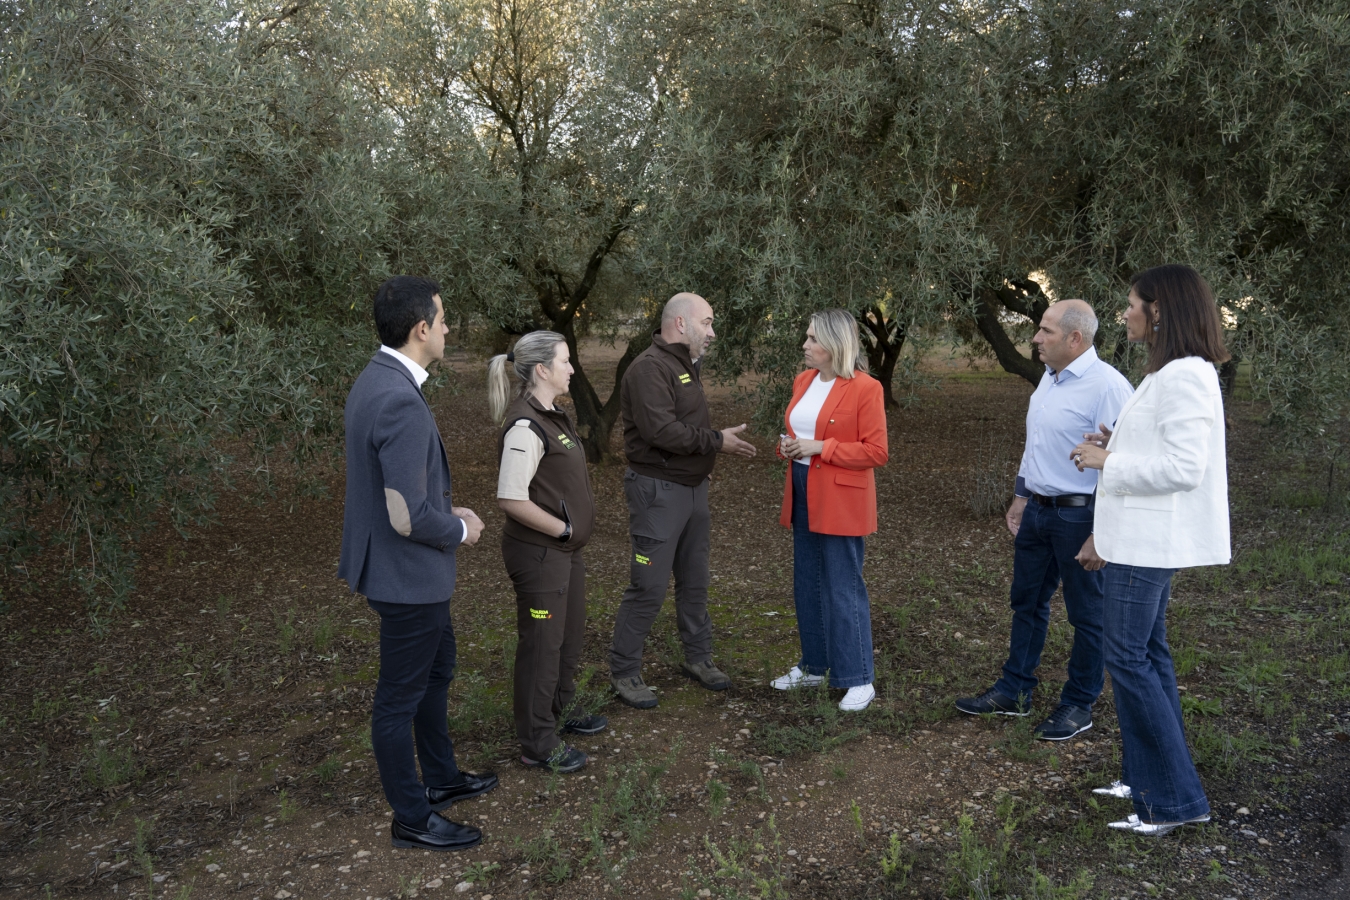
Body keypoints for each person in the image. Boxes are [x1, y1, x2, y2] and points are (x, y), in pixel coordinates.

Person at [337, 276, 496, 852]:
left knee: (437, 670)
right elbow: (405, 517)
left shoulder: (376, 380)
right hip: (408, 576)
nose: (450, 329)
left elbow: (394, 492)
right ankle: (411, 815)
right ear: (420, 329)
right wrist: (459, 527)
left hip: (404, 571)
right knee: (398, 698)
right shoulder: (399, 398)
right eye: (444, 319)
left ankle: (442, 779)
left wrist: (441, 508)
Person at [1071, 264, 1231, 836]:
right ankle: (1146, 778)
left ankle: (1175, 799)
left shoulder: (1185, 375)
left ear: (1158, 310)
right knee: (1148, 656)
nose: (1125, 314)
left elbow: (1186, 468)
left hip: (1147, 542)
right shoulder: (1170, 373)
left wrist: (1107, 460)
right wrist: (1118, 443)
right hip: (1139, 538)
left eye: (1131, 304)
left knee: (1129, 660)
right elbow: (1162, 448)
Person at [955, 300, 1133, 740]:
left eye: (1045, 331)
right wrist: (1020, 497)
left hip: (1080, 516)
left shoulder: (1107, 387)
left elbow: (1122, 465)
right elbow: (1036, 444)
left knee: (1087, 615)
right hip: (1037, 512)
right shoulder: (1049, 382)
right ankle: (1015, 691)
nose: (1035, 338)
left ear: (1075, 338)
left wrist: (1102, 532)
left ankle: (1078, 704)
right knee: (1026, 603)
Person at [608, 292, 758, 708]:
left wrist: (707, 453)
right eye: (706, 323)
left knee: (695, 581)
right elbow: (661, 432)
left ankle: (698, 658)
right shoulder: (649, 368)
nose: (712, 332)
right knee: (649, 586)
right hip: (659, 494)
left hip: (693, 492)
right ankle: (624, 670)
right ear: (680, 324)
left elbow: (682, 425)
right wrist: (716, 442)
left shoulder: (683, 363)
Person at [488, 331, 605, 774]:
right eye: (565, 361)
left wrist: (570, 535)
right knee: (541, 647)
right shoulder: (525, 426)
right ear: (542, 369)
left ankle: (558, 713)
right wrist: (564, 529)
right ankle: (537, 742)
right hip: (540, 555)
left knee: (567, 639)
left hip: (564, 552)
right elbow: (511, 499)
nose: (572, 369)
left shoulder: (554, 416)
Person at [771, 310, 888, 710]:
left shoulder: (865, 388)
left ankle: (858, 678)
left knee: (842, 584)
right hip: (803, 487)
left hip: (841, 496)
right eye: (805, 337)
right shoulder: (803, 380)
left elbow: (876, 451)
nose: (804, 345)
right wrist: (787, 444)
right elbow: (798, 432)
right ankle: (815, 665)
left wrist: (822, 448)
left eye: (811, 339)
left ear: (835, 343)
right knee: (806, 581)